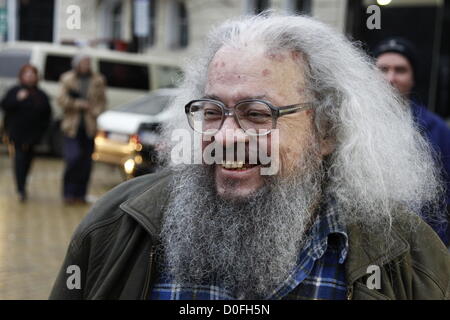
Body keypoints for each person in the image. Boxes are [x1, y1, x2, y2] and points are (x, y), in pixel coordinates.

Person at [50, 14, 450, 300]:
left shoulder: (409, 258)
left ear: (326, 131)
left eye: (258, 114)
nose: (225, 137)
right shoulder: (117, 224)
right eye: (211, 111)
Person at [374, 37, 450, 246]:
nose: (391, 78)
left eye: (400, 70)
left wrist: (436, 242)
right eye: (383, 69)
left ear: (413, 77)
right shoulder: (351, 122)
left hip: (419, 248)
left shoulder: (437, 130)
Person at [57, 54, 106, 205]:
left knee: (86, 163)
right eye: (84, 62)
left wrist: (95, 111)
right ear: (77, 64)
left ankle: (81, 194)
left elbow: (102, 101)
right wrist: (78, 104)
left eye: (89, 62)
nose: (87, 65)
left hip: (89, 127)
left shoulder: (98, 80)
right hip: (72, 126)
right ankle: (68, 193)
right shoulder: (67, 79)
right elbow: (61, 99)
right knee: (73, 159)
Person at [1, 64, 52, 202]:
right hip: (17, 133)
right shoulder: (15, 91)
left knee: (28, 160)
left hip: (33, 135)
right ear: (22, 76)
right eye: (27, 74)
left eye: (32, 74)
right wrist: (18, 99)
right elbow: (5, 105)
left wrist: (42, 132)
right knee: (19, 159)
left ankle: (23, 183)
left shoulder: (40, 94)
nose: (29, 77)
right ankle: (20, 188)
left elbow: (47, 114)